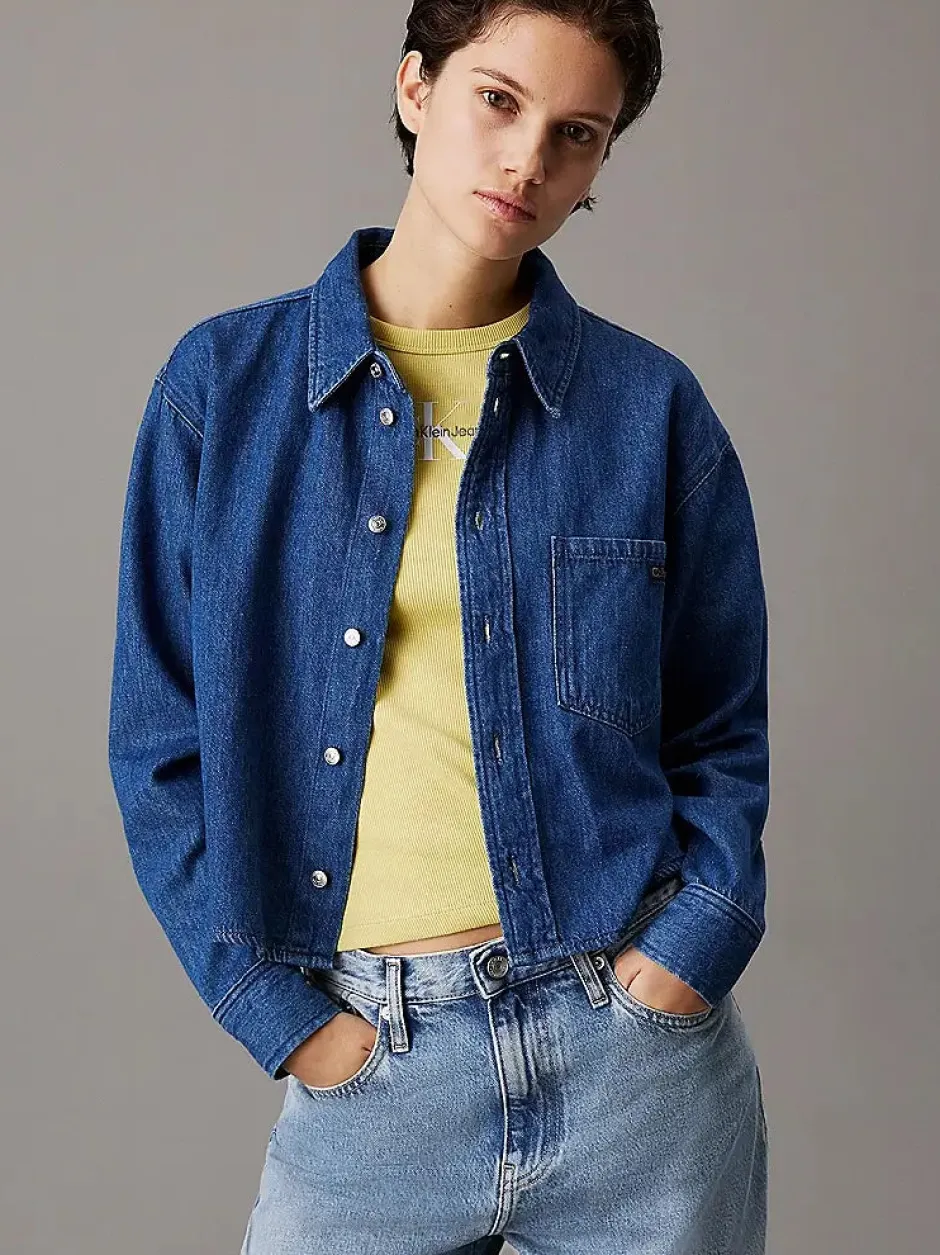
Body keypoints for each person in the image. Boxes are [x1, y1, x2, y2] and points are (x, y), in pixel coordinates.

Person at [108, 1, 769, 1251]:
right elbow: (157, 742)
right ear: (415, 85)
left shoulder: (649, 410)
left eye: (577, 133)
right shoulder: (224, 391)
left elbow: (721, 727)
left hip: (635, 1066)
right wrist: (281, 1017)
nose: (528, 160)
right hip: (373, 1064)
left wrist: (687, 954)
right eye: (498, 101)